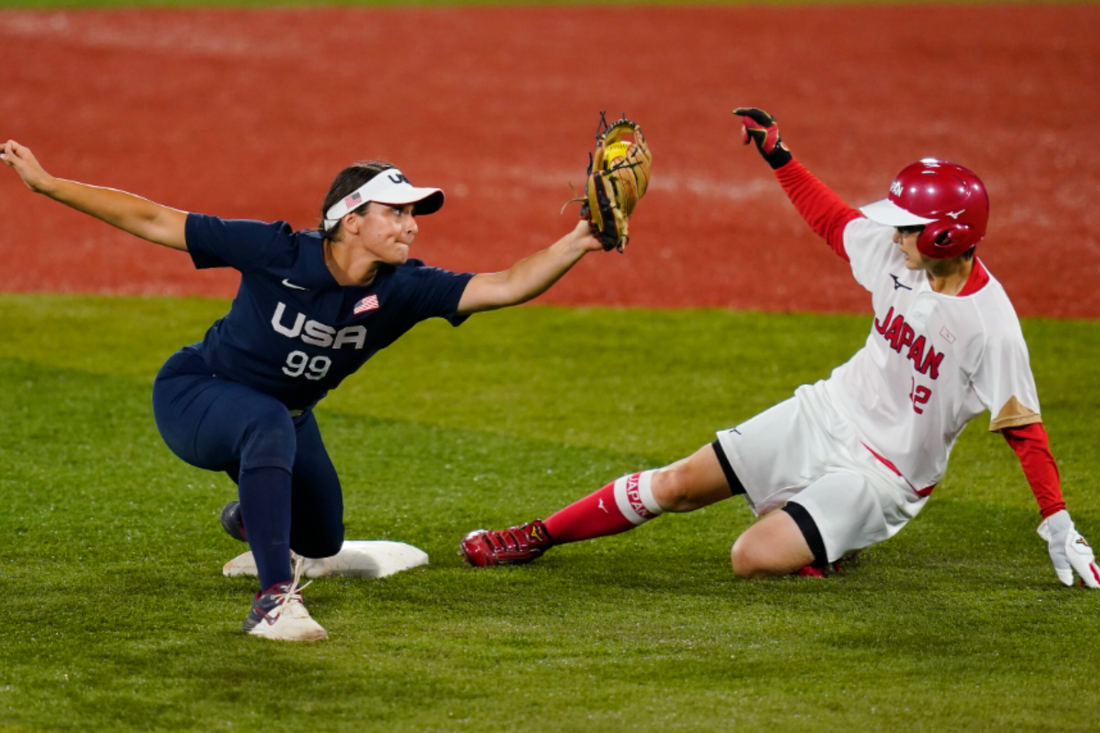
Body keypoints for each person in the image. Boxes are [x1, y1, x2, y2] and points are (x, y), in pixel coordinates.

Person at [459, 107, 1100, 590]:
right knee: (679, 484)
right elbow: (832, 220)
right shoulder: (895, 255)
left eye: (906, 225)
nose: (892, 232)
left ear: (943, 234)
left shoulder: (991, 326)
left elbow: (1025, 430)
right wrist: (779, 157)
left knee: (750, 557)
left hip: (883, 476)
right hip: (826, 413)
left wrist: (1056, 520)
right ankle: (535, 536)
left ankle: (820, 540)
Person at [2, 139, 608, 641]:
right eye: (396, 212)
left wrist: (578, 241)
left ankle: (252, 520)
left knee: (322, 539)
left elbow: (504, 286)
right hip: (196, 395)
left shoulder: (405, 288)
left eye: (412, 212)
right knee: (266, 419)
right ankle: (272, 602)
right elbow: (156, 219)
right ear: (351, 219)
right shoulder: (276, 250)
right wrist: (50, 184)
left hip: (284, 421)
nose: (411, 225)